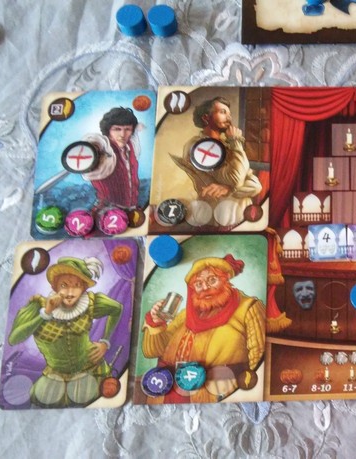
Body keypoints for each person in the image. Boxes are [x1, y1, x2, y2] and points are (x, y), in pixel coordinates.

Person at [142, 254, 266, 403]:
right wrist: (156, 323)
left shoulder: (248, 308)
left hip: (218, 394)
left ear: (225, 278)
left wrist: (244, 392)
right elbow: (153, 352)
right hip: (166, 391)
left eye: (212, 280)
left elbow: (259, 355)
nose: (205, 287)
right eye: (198, 284)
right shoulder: (187, 313)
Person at [8, 257, 123, 407]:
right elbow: (14, 339)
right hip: (55, 375)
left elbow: (117, 309)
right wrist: (46, 313)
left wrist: (105, 342)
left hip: (92, 369)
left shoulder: (90, 304)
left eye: (77, 285)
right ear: (54, 286)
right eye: (64, 285)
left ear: (83, 288)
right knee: (40, 401)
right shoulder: (37, 306)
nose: (70, 292)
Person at [171, 96, 262, 227]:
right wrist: (236, 142)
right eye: (223, 112)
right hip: (219, 217)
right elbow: (235, 179)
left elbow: (256, 185)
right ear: (206, 118)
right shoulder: (197, 146)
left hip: (241, 216)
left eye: (229, 114)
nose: (229, 118)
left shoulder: (228, 145)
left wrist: (229, 189)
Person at [82, 107, 141, 209]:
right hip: (107, 211)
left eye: (127, 129)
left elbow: (134, 136)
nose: (122, 135)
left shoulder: (131, 146)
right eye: (117, 129)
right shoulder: (104, 150)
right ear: (108, 130)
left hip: (132, 209)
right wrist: (93, 149)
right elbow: (95, 141)